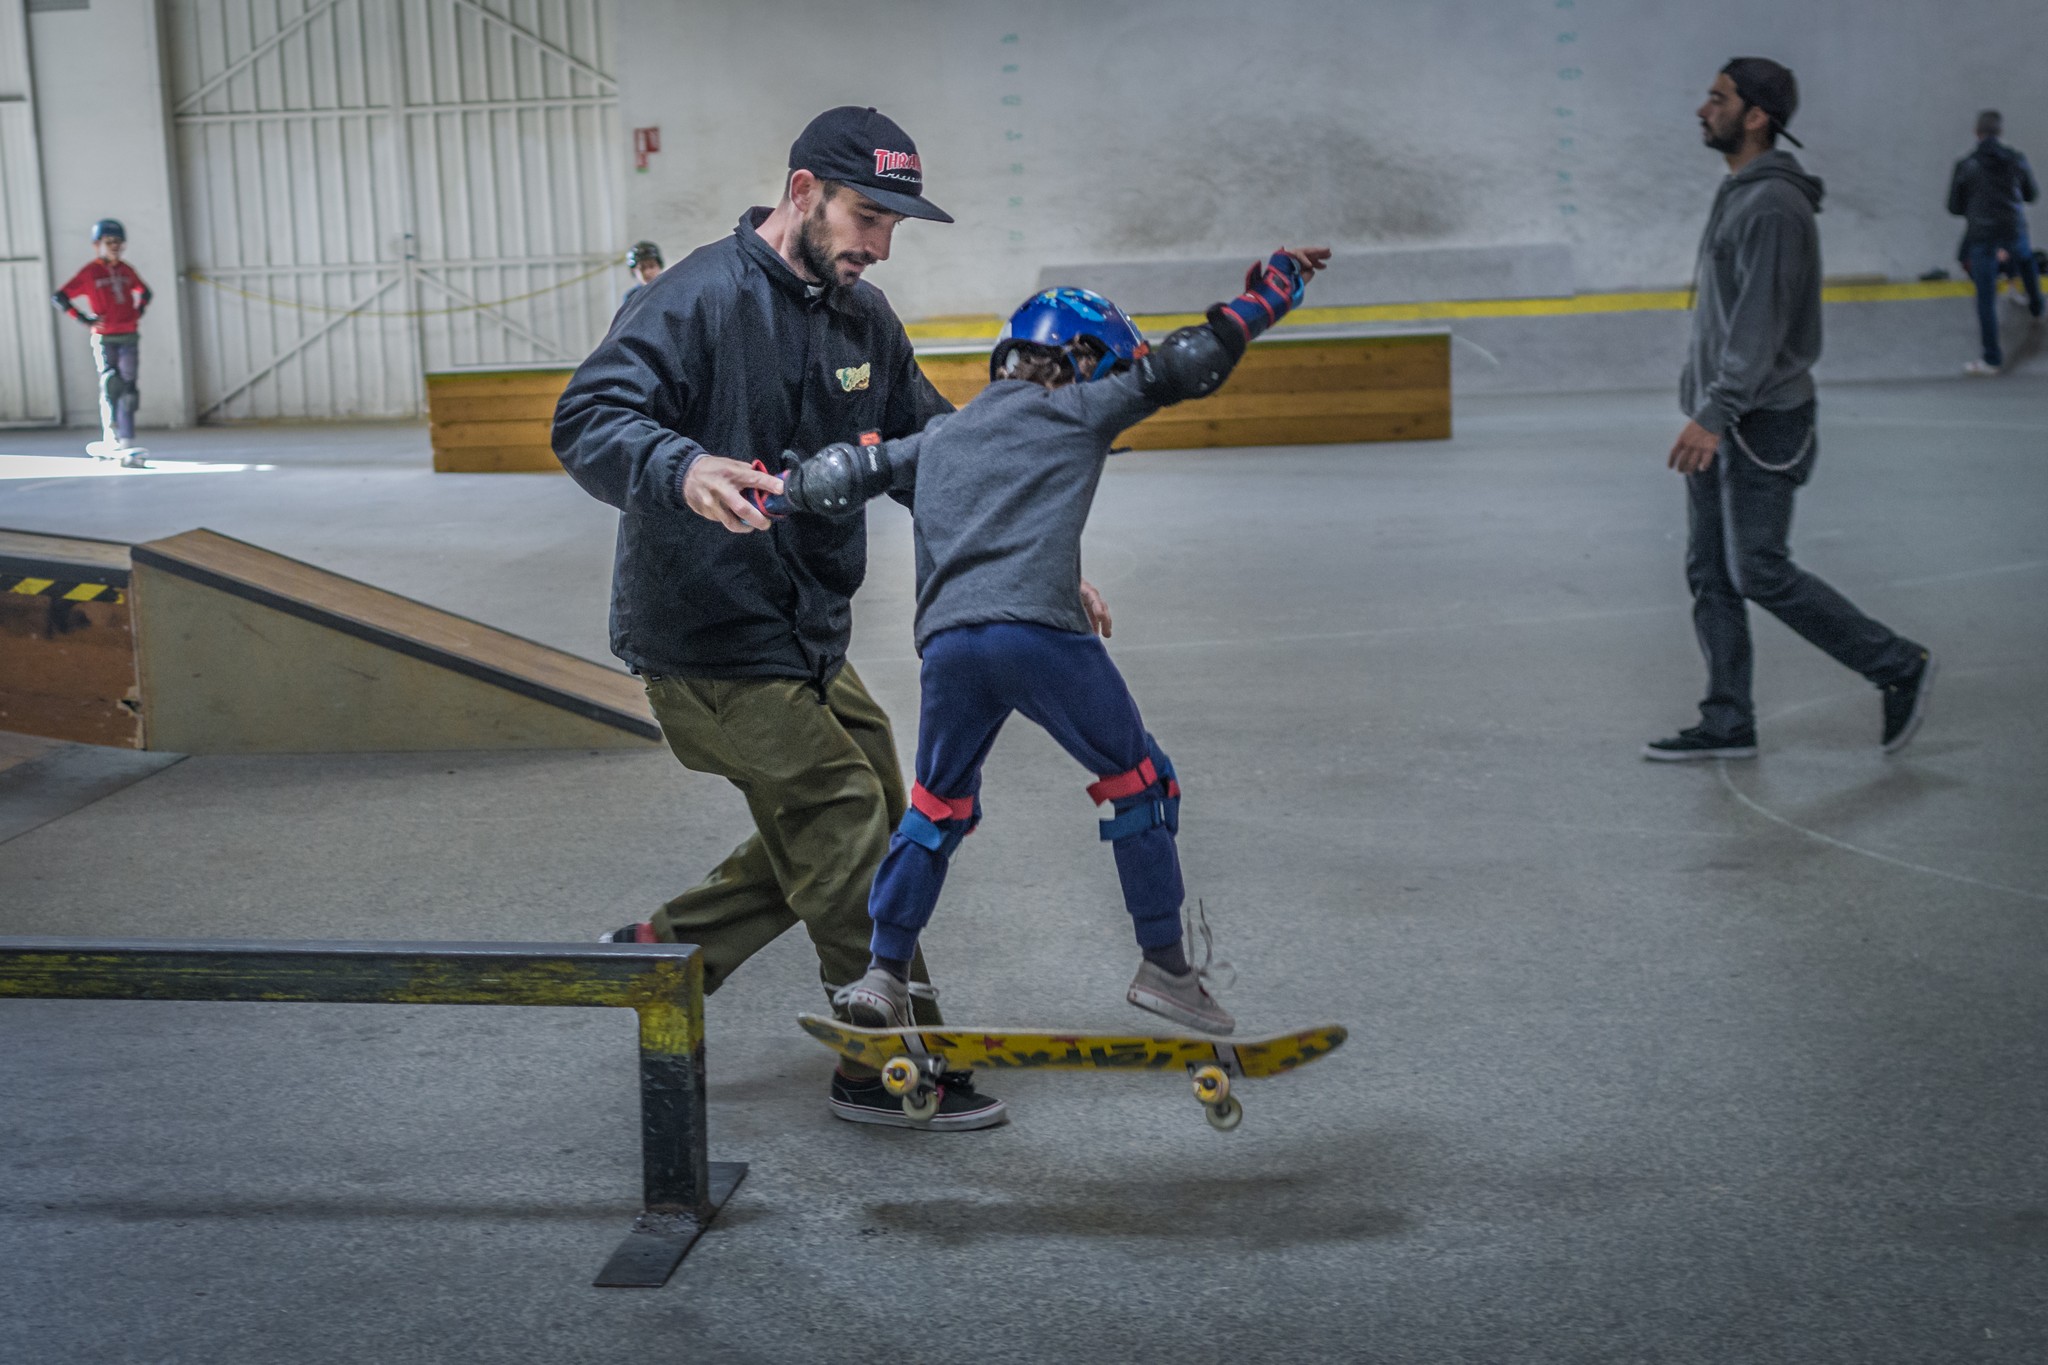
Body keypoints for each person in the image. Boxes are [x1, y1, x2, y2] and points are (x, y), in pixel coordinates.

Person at [550, 106, 1007, 1130]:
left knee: (866, 808)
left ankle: (668, 951)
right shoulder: (698, 298)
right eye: (864, 216)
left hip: (804, 634)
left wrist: (1032, 550)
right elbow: (586, 418)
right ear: (802, 192)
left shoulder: (861, 317)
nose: (877, 245)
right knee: (843, 814)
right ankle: (882, 1056)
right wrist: (679, 463)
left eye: (893, 226)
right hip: (704, 639)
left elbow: (934, 454)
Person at [761, 246, 1330, 1036]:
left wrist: (777, 493)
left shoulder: (942, 438)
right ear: (1079, 360)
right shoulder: (1076, 409)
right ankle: (1165, 967)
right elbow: (1189, 363)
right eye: (1104, 371)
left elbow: (838, 476)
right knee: (1141, 781)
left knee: (934, 807)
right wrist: (1274, 293)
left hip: (952, 651)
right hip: (1039, 640)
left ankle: (883, 975)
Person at [1647, 58, 1935, 763]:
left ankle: (1898, 664)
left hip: (1761, 420)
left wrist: (1714, 412)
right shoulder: (1740, 192)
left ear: (1757, 116)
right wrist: (1704, 403)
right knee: (1710, 572)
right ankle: (1727, 718)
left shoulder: (1774, 204)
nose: (1701, 108)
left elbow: (1758, 326)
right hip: (1723, 413)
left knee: (1761, 570)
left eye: (1717, 98)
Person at [1948, 110, 2042, 375]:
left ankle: (1991, 358)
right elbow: (2031, 194)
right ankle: (2037, 307)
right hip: (2013, 229)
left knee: (1985, 298)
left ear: (1977, 133)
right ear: (1999, 132)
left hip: (1983, 236)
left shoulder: (1966, 165)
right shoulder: (2016, 160)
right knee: (2026, 260)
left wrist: (1976, 207)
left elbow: (1953, 206)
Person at [52, 219, 152, 466]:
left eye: (118, 242)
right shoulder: (90, 272)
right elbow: (60, 296)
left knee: (129, 388)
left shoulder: (127, 270)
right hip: (105, 337)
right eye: (109, 242)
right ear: (98, 244)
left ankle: (127, 440)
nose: (115, 247)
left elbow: (145, 292)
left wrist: (138, 312)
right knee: (111, 384)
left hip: (129, 334)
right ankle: (112, 437)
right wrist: (84, 319)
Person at [619, 240, 663, 313]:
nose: (647, 272)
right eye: (642, 268)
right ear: (634, 271)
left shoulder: (671, 290)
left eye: (651, 266)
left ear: (659, 266)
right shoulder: (631, 298)